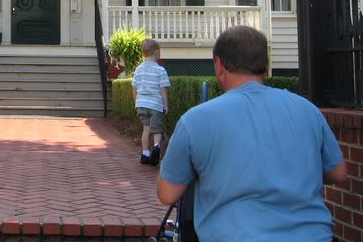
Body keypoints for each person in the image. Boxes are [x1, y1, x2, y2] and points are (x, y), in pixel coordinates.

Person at [158, 25, 347, 240]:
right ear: (264, 65)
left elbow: (167, 193)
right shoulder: (308, 110)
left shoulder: (195, 120)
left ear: (219, 65)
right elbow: (338, 173)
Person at [132, 38, 170, 166]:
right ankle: (157, 148)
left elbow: (134, 88)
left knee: (146, 128)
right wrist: (166, 105)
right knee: (157, 129)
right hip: (155, 104)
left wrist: (136, 102)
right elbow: (163, 89)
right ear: (157, 52)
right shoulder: (160, 70)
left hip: (141, 104)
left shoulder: (138, 69)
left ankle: (145, 153)